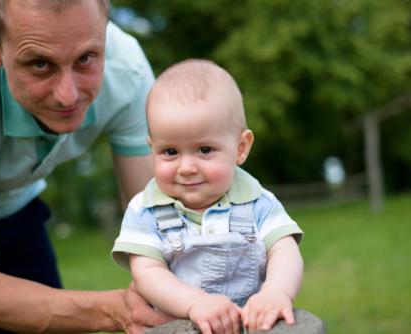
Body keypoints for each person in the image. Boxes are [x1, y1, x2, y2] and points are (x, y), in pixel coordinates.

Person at [0, 1, 172, 333]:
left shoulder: (128, 71)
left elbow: (161, 231)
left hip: (14, 201)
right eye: (40, 64)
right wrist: (114, 310)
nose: (68, 96)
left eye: (85, 58)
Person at [112, 59, 304, 334]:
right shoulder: (145, 211)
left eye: (204, 150)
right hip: (178, 326)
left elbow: (285, 250)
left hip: (249, 324)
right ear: (151, 149)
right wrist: (195, 303)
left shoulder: (258, 202)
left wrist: (276, 291)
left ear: (240, 148)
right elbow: (147, 273)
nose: (187, 167)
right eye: (170, 152)